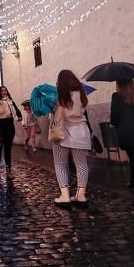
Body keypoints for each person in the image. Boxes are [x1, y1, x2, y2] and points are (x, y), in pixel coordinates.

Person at [51, 70, 90, 207]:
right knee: (81, 164)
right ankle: (81, 195)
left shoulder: (59, 95)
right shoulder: (82, 93)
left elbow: (55, 115)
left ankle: (65, 195)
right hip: (81, 132)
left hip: (62, 133)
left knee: (60, 164)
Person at [110, 79, 134, 197]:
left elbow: (114, 114)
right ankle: (133, 182)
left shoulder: (117, 96)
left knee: (133, 157)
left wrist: (115, 124)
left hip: (126, 128)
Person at [0, 86, 22, 180]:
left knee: (7, 150)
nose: (4, 92)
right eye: (2, 90)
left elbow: (18, 113)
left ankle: (8, 171)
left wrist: (19, 117)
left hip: (9, 127)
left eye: (5, 90)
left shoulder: (10, 102)